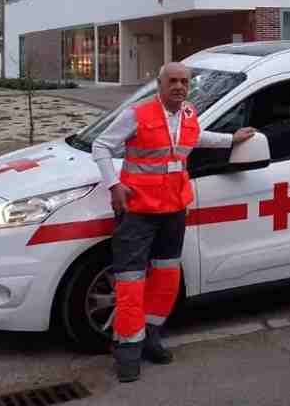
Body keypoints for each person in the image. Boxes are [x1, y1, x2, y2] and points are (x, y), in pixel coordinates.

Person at [92, 62, 256, 383]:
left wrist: (231, 139)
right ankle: (127, 349)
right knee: (129, 281)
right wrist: (114, 185)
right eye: (173, 81)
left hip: (173, 210)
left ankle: (152, 336)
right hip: (138, 211)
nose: (179, 86)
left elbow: (198, 139)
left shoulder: (189, 114)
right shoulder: (137, 114)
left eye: (184, 81)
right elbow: (101, 145)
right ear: (160, 84)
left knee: (166, 278)